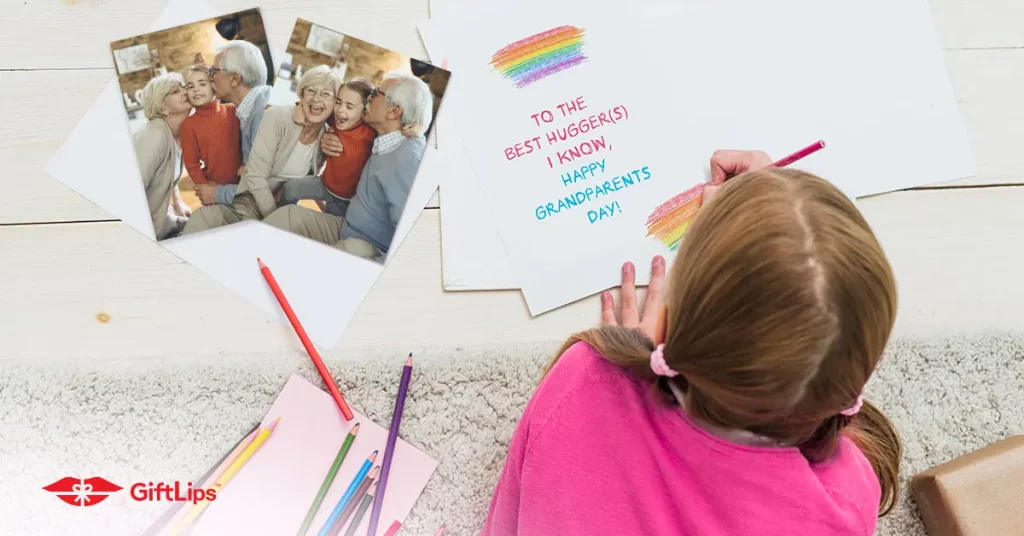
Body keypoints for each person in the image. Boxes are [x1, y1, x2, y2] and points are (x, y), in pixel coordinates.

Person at [481, 150, 903, 535]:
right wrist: (769, 231)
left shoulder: (586, 377)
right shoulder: (847, 499)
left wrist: (629, 357)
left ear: (666, 325)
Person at [263, 71, 433, 259]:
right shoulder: (385, 137)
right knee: (285, 217)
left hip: (364, 246)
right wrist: (327, 136)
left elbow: (414, 238)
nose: (370, 98)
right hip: (346, 227)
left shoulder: (409, 160)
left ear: (394, 111)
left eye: (376, 93)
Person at [180, 65, 339, 235]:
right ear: (301, 93)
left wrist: (327, 213)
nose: (316, 98)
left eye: (326, 94)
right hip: (252, 200)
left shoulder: (326, 135)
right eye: (310, 91)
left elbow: (313, 180)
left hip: (280, 207)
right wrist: (206, 188)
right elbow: (194, 162)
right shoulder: (278, 117)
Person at [278, 78, 378, 218]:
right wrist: (300, 108)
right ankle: (280, 216)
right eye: (338, 102)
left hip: (346, 200)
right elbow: (315, 109)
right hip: (325, 184)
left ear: (365, 112)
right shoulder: (336, 119)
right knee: (290, 188)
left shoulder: (371, 132)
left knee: (324, 228)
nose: (340, 110)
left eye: (349, 106)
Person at [194, 40, 272, 207]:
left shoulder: (264, 116)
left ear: (235, 78)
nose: (210, 77)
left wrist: (218, 193)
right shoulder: (249, 108)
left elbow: (269, 189)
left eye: (214, 71)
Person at [132, 72, 194, 240]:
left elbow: (167, 170)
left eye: (182, 87)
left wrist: (177, 201)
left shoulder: (175, 135)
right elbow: (130, 193)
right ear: (163, 107)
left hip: (158, 220)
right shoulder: (154, 136)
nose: (184, 91)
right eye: (175, 91)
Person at [180, 64, 242, 192]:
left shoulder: (234, 109)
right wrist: (205, 189)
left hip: (246, 182)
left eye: (202, 84)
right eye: (190, 86)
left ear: (214, 85)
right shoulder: (188, 125)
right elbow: (192, 165)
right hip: (216, 189)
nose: (195, 89)